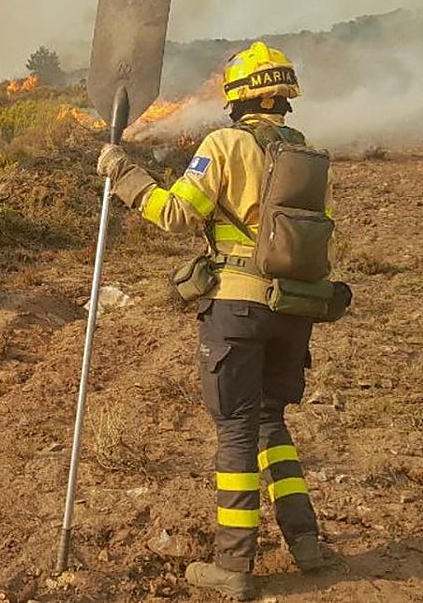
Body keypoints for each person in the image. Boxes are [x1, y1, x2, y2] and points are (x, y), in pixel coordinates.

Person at [96, 41, 330, 601]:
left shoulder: (224, 145)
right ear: (284, 96)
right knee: (273, 423)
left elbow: (178, 214)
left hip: (236, 310)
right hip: (294, 311)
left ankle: (233, 565)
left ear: (238, 95)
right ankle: (307, 543)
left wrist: (124, 176)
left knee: (235, 431)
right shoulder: (309, 154)